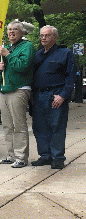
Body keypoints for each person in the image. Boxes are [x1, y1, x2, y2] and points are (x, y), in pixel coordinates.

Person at [0, 20, 35, 168]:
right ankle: (11, 155)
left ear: (22, 32)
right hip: (4, 89)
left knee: (19, 125)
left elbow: (22, 66)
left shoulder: (27, 46)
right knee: (7, 126)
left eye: (15, 29)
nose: (11, 32)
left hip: (19, 89)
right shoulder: (6, 47)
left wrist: (8, 55)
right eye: (9, 29)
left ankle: (21, 157)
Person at [31, 26, 75, 169]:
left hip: (55, 94)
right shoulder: (37, 55)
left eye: (47, 35)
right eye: (41, 35)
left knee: (57, 126)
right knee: (40, 127)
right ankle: (45, 155)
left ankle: (57, 157)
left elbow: (71, 77)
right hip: (38, 95)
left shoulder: (65, 53)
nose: (43, 38)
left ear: (55, 37)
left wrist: (62, 96)